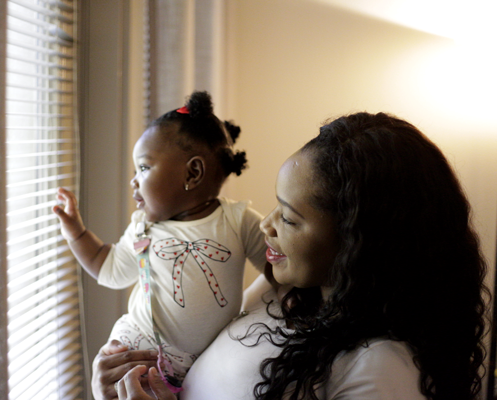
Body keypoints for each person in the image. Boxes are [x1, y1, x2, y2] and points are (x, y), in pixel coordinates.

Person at [96, 112, 488, 400]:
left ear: (356, 240)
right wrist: (127, 380)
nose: (266, 225)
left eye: (289, 218)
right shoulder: (283, 292)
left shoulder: (382, 369)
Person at [53, 91, 269, 391]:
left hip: (199, 366)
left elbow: (281, 267)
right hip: (136, 350)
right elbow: (109, 267)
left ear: (192, 173)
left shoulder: (238, 221)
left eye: (143, 167)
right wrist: (76, 233)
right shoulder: (144, 228)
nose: (133, 180)